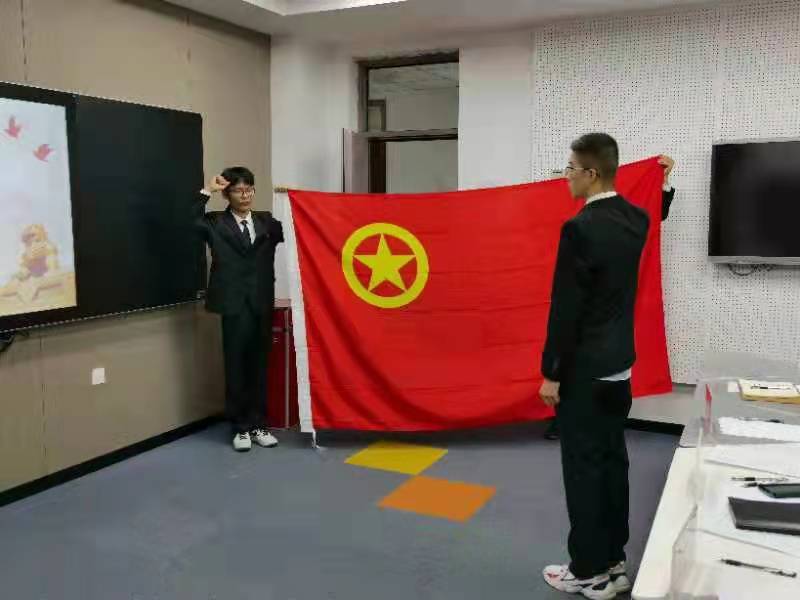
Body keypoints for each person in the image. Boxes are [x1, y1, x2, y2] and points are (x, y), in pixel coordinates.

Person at [539, 133, 650, 599]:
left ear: (591, 173)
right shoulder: (638, 219)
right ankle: (614, 563)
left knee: (583, 470)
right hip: (620, 366)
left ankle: (588, 572)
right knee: (612, 463)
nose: (565, 176)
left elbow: (566, 309)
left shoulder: (579, 228)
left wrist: (551, 371)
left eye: (569, 168)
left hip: (585, 371)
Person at [542, 153, 675, 441]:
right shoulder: (563, 201)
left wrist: (660, 181)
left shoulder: (615, 207)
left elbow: (648, 215)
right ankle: (565, 418)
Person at [196, 167, 284, 452]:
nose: (245, 195)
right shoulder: (215, 222)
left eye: (249, 189)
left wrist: (294, 199)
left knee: (259, 366)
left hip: (261, 302)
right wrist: (206, 191)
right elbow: (187, 221)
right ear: (227, 194)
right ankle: (240, 427)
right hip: (233, 304)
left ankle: (259, 425)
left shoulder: (267, 221)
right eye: (237, 190)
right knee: (236, 367)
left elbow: (300, 229)